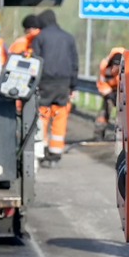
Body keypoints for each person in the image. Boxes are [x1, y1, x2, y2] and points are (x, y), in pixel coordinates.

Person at [29, 9, 79, 164]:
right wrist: (73, 85)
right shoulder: (69, 38)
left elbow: (35, 62)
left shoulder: (40, 38)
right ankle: (56, 152)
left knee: (42, 115)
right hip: (63, 83)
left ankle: (41, 148)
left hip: (45, 82)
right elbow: (74, 63)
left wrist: (33, 83)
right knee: (60, 115)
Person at [96, 47, 128, 139]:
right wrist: (109, 93)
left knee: (124, 111)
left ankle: (121, 135)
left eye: (117, 67)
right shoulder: (104, 66)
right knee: (105, 110)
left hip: (123, 91)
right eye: (114, 66)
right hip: (109, 90)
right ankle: (98, 134)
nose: (115, 69)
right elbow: (101, 83)